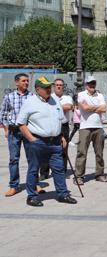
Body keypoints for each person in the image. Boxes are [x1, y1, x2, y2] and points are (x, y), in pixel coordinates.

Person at [16, 76, 77, 207]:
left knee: (59, 168)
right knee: (34, 169)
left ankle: (62, 194)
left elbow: (60, 120)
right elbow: (21, 123)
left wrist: (61, 136)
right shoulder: (29, 102)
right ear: (38, 89)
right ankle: (32, 196)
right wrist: (32, 139)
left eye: (50, 87)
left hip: (55, 142)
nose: (49, 89)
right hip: (38, 142)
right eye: (46, 88)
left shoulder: (55, 100)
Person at [1, 73, 40, 197]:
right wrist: (6, 129)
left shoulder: (33, 96)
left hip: (28, 130)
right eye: (23, 81)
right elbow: (3, 113)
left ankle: (35, 184)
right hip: (14, 131)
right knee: (14, 159)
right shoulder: (9, 97)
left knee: (33, 158)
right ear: (16, 82)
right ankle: (14, 186)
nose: (26, 83)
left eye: (27, 81)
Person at [75, 76, 107, 185]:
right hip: (85, 127)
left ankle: (99, 174)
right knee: (82, 152)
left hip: (98, 127)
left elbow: (104, 108)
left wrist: (91, 107)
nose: (92, 85)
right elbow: (85, 108)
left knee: (99, 152)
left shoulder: (100, 95)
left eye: (93, 83)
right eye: (90, 83)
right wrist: (96, 107)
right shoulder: (81, 94)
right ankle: (79, 176)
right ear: (86, 85)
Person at [51, 79, 73, 174]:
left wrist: (54, 107)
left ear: (63, 87)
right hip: (51, 125)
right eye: (57, 85)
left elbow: (69, 107)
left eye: (61, 85)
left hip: (64, 126)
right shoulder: (50, 97)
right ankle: (44, 172)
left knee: (64, 148)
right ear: (54, 86)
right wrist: (61, 107)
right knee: (49, 148)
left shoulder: (67, 97)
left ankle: (63, 170)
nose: (59, 87)